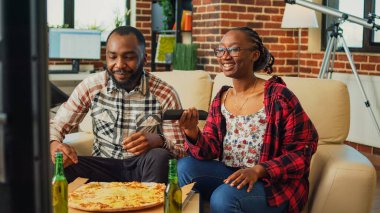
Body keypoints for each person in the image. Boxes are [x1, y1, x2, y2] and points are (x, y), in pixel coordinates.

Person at [177, 27, 318, 213]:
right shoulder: (221, 98)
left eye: (234, 49)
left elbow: (303, 151)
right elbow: (209, 150)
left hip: (272, 184)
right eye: (221, 50)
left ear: (254, 54)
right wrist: (192, 131)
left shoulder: (279, 96)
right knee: (185, 167)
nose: (225, 56)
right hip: (234, 175)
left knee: (223, 198)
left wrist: (259, 170)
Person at [50, 26, 186, 183]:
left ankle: (149, 205)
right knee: (58, 164)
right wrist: (54, 145)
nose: (119, 65)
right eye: (112, 57)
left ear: (144, 59)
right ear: (106, 58)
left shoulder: (165, 94)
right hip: (102, 167)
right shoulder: (91, 86)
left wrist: (159, 140)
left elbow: (181, 151)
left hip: (143, 168)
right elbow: (56, 126)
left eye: (128, 57)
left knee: (159, 156)